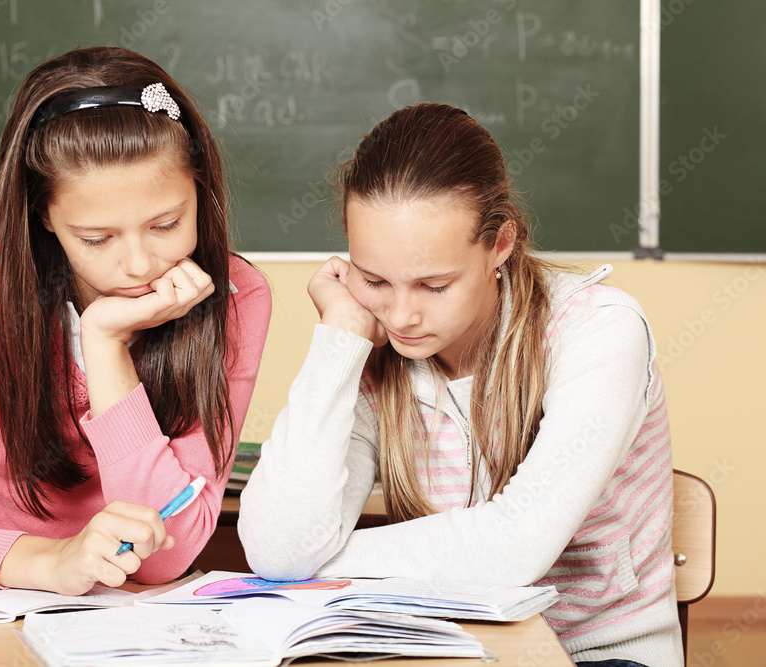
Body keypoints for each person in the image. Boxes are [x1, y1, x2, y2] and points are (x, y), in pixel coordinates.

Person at [238, 103, 682, 667]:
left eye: (434, 285)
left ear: (501, 244)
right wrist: (339, 338)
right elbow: (279, 548)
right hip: (445, 649)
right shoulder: (373, 349)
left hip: (595, 653)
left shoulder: (598, 329)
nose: (401, 316)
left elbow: (514, 548)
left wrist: (316, 565)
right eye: (374, 280)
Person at [0, 46, 271, 596]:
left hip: (127, 622)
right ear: (43, 216)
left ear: (200, 190)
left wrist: (105, 342)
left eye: (166, 224)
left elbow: (168, 554)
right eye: (96, 238)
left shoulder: (236, 296)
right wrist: (51, 561)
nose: (139, 264)